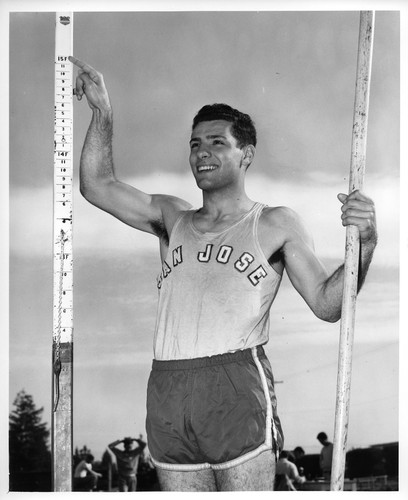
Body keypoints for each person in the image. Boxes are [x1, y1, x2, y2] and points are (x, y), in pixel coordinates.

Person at [69, 56, 377, 491]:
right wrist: (103, 113)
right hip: (167, 386)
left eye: (217, 142)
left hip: (234, 385)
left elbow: (328, 304)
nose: (202, 153)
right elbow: (97, 185)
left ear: (246, 154)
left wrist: (366, 244)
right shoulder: (171, 216)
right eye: (195, 144)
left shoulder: (273, 223)